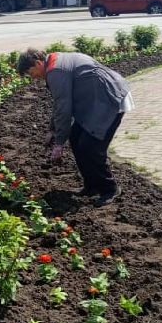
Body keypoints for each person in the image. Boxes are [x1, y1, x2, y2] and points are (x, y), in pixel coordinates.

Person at [16, 47, 134, 207]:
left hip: (110, 100)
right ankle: (92, 185)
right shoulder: (54, 63)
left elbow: (64, 108)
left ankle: (110, 189)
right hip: (96, 102)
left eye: (31, 73)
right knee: (76, 138)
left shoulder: (55, 71)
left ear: (38, 63)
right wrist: (53, 130)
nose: (33, 78)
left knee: (91, 147)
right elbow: (60, 104)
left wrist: (58, 143)